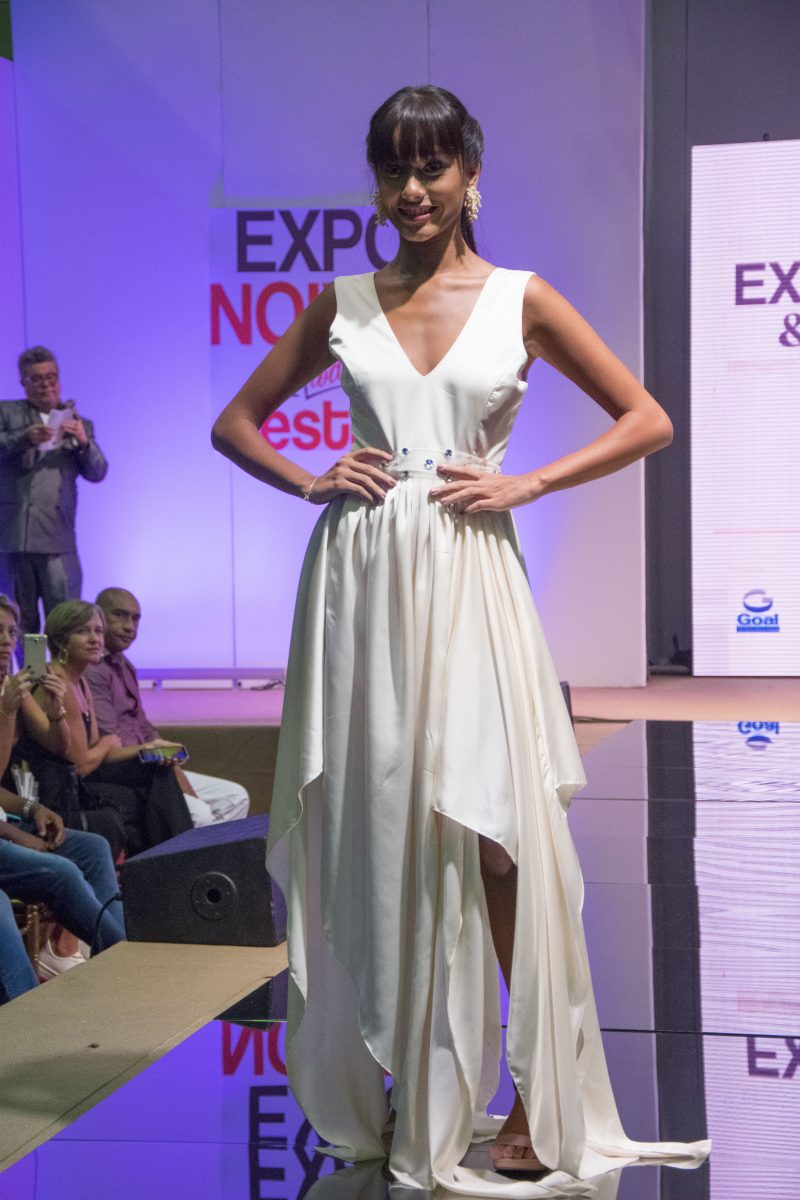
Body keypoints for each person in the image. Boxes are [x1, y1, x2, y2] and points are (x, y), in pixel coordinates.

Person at [211, 86, 710, 1193]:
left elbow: (647, 418)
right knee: (376, 829)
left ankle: (535, 1088)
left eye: (432, 166)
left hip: (471, 578)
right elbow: (233, 422)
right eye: (394, 169)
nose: (413, 190)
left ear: (471, 176)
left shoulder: (520, 297)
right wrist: (309, 479)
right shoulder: (342, 302)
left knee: (494, 835)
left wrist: (529, 481)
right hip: (361, 585)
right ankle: (403, 1080)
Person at [0, 592, 125, 993]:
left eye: (11, 631)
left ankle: (122, 953)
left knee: (93, 845)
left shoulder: (14, 688)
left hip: (16, 812)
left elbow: (60, 747)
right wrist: (16, 832)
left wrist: (32, 809)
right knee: (63, 869)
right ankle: (119, 959)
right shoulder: (11, 695)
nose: (6, 641)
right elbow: (80, 760)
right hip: (7, 828)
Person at [26, 600, 193, 859]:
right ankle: (180, 859)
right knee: (150, 794)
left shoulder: (80, 680)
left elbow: (99, 752)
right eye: (83, 631)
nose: (95, 639)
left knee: (155, 770)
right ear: (60, 640)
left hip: (84, 780)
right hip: (63, 792)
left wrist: (146, 748)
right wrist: (108, 741)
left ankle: (174, 860)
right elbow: (82, 764)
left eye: (98, 631)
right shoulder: (58, 682)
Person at [85, 587, 250, 826]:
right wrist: (155, 754)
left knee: (235, 797)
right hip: (125, 772)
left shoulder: (125, 665)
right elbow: (108, 742)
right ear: (99, 617)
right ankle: (191, 850)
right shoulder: (93, 669)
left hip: (151, 764)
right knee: (200, 813)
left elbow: (142, 723)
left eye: (135, 619)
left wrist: (166, 754)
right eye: (119, 615)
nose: (129, 626)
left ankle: (210, 851)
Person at [0, 346, 108, 635]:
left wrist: (84, 442)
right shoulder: (6, 413)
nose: (46, 385)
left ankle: (61, 667)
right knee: (24, 623)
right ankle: (32, 666)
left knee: (65, 620)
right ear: (23, 382)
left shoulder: (76, 422)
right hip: (15, 539)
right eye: (37, 379)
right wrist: (23, 438)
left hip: (59, 541)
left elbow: (98, 472)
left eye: (51, 377)